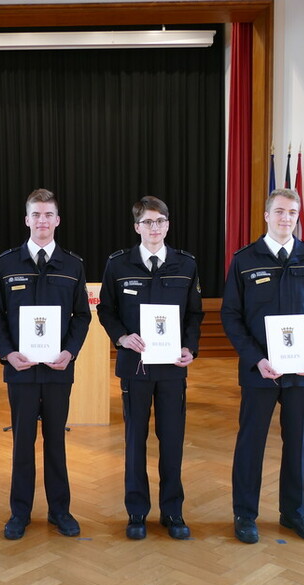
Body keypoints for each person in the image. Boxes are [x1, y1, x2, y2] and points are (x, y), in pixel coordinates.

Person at [221, 189, 304, 544]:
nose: (285, 218)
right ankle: (244, 514)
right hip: (260, 372)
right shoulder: (245, 259)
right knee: (251, 443)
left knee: (296, 445)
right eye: (279, 211)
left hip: (303, 373)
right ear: (266, 215)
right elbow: (231, 315)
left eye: (292, 212)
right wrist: (256, 359)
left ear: (297, 216)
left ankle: (293, 513)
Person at [0, 188, 91, 540]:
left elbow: (81, 316)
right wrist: (7, 353)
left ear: (57, 220)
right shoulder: (7, 263)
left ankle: (60, 511)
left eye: (48, 215)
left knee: (56, 444)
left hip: (59, 371)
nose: (42, 221)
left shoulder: (73, 265)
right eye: (36, 214)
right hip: (21, 371)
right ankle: (20, 513)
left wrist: (70, 352)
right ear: (27, 219)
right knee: (22, 444)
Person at [96, 196, 203, 540]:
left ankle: (173, 512)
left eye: (160, 221)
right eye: (147, 222)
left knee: (171, 441)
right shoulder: (118, 264)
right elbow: (106, 310)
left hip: (172, 369)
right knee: (134, 441)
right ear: (136, 227)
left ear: (168, 225)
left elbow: (195, 315)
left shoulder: (186, 264)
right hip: (135, 369)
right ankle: (137, 512)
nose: (154, 228)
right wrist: (122, 337)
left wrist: (190, 347)